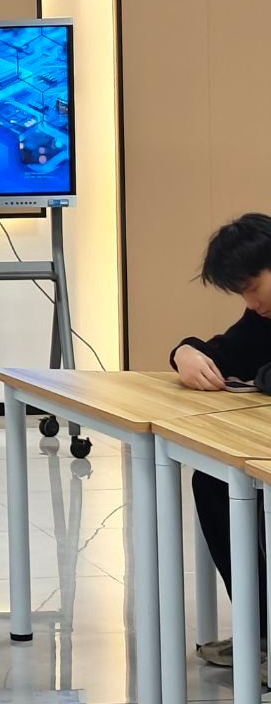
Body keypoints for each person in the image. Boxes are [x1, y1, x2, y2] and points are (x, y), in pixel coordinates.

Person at [171, 212, 271, 670]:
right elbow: (224, 352)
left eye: (253, 287)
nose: (251, 303)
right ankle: (260, 627)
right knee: (214, 481)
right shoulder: (261, 317)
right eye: (242, 294)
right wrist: (185, 353)